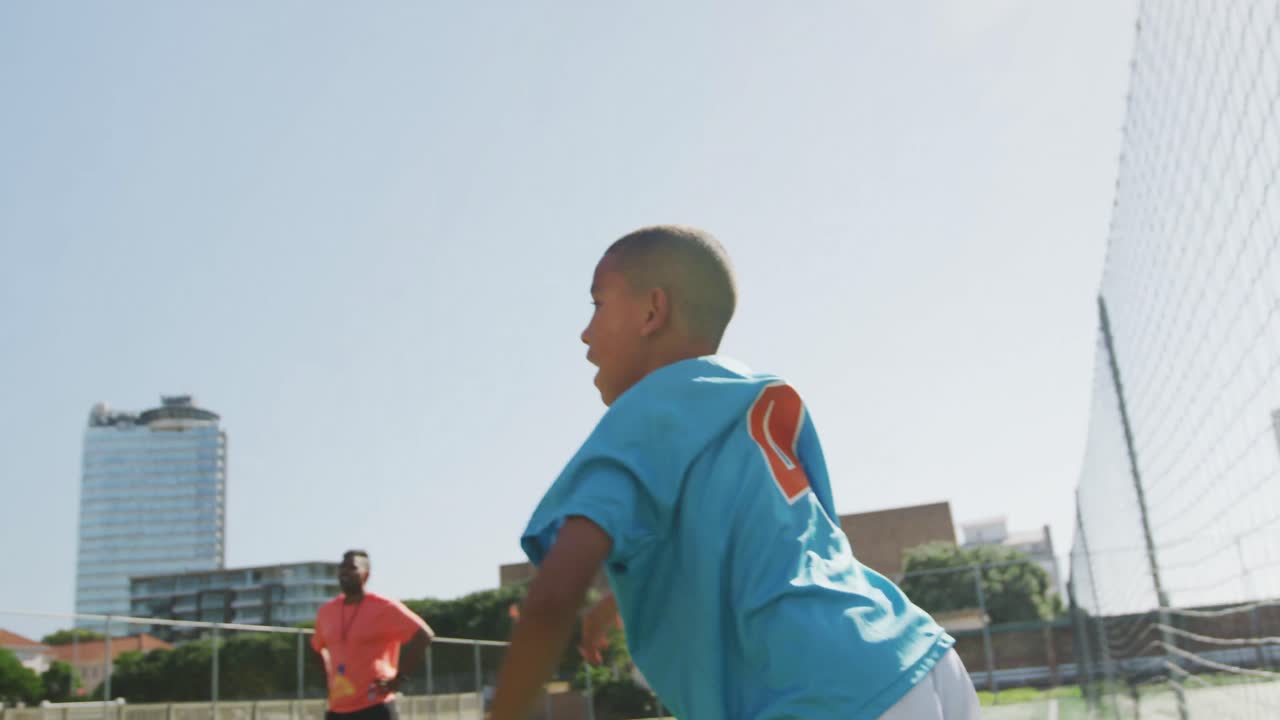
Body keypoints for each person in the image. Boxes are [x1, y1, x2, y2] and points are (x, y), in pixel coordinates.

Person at [488, 225, 980, 719]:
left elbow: (552, 597)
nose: (585, 331)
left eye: (597, 304)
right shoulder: (752, 396)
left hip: (819, 694)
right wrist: (615, 603)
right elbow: (760, 538)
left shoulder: (644, 413)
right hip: (914, 654)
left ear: (651, 311)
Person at [312, 550, 434, 720]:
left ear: (365, 575)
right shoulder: (326, 612)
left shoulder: (384, 607)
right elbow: (317, 647)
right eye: (342, 567)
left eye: (352, 567)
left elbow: (424, 635)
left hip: (375, 706)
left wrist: (398, 679)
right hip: (337, 710)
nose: (344, 571)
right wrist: (329, 680)